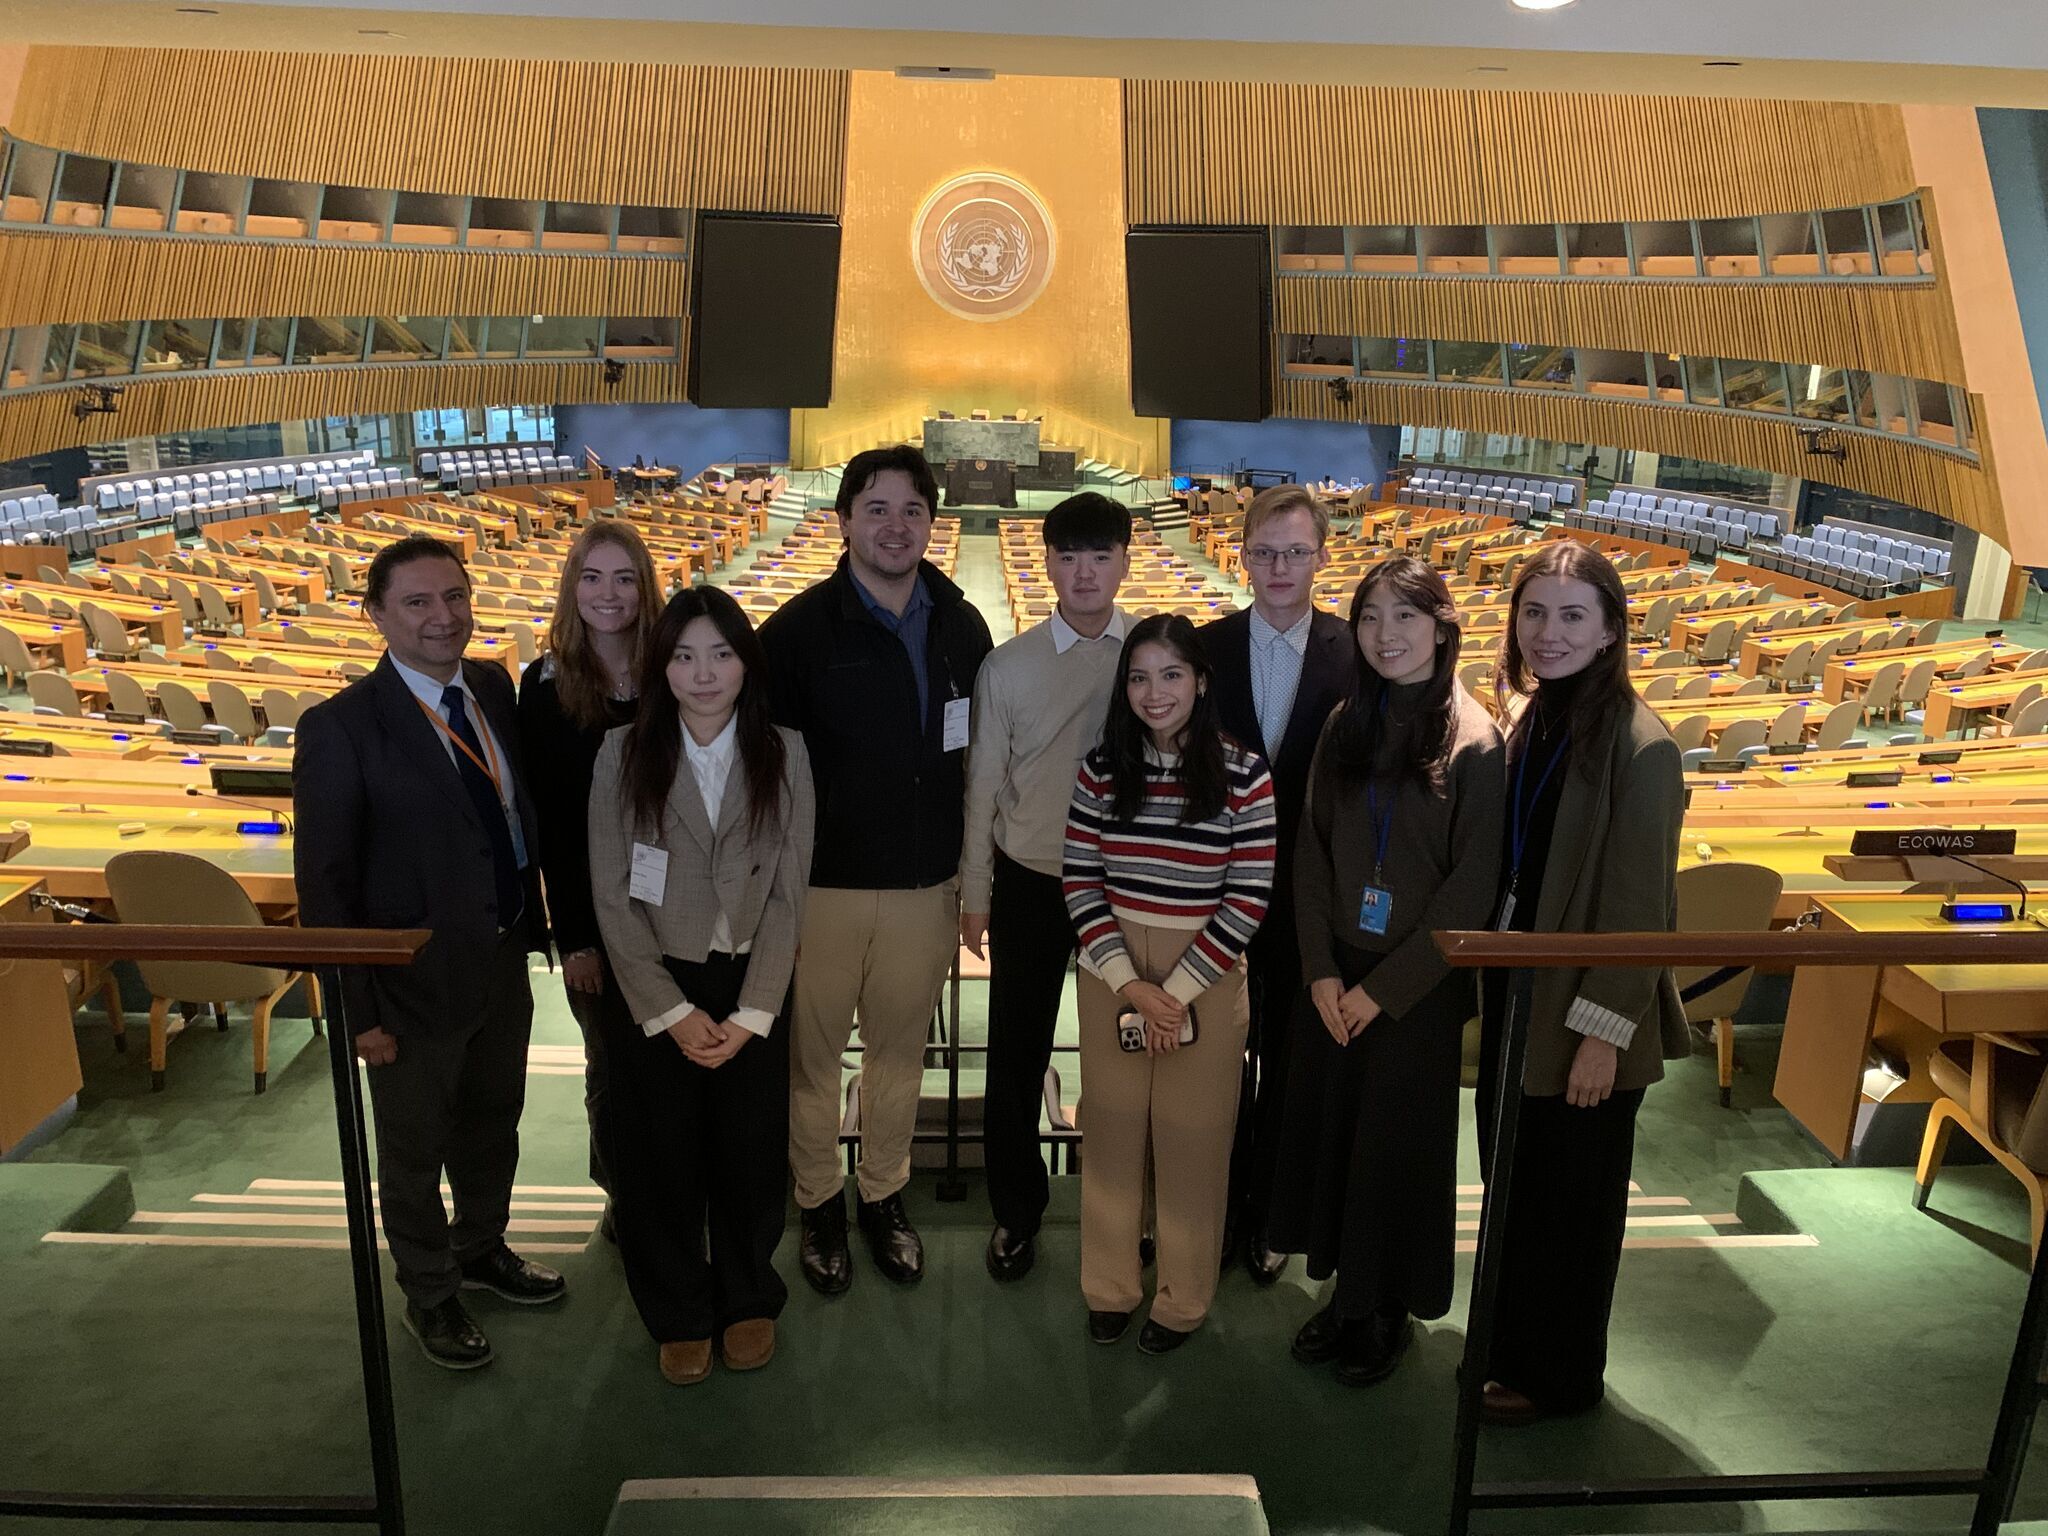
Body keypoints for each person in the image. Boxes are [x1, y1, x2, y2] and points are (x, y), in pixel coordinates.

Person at [294, 534, 563, 1371]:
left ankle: (482, 1247)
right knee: (412, 1154)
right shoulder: (340, 727)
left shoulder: (489, 685)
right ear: (376, 614)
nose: (442, 617)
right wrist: (359, 1013)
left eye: (454, 597)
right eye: (417, 602)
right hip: (408, 985)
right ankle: (431, 1293)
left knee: (493, 1125)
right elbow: (326, 887)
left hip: (501, 956)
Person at [758, 444, 994, 1294]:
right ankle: (818, 1204)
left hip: (925, 888)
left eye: (913, 511)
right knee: (812, 1062)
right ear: (844, 519)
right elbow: (763, 776)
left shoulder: (963, 625)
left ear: (934, 523)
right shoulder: (792, 635)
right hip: (820, 891)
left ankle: (884, 1196)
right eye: (877, 509)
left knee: (898, 1058)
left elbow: (979, 763)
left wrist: (973, 882)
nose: (896, 527)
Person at [1270, 556, 1505, 1386]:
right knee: (1336, 1140)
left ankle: (1384, 1310)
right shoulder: (1345, 722)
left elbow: (1473, 887)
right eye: (1369, 618)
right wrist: (1322, 970)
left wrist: (1382, 990)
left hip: (1416, 994)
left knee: (1392, 1155)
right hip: (1336, 980)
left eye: (1405, 618)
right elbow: (1310, 852)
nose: (1385, 636)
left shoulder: (1475, 741)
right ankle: (1342, 1294)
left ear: (1442, 628)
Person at [1478, 538, 1688, 1424]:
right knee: (1517, 1187)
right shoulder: (1545, 714)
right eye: (1534, 613)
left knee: (1572, 1209)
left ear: (1611, 631)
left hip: (1586, 1013)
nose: (1548, 633)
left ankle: (1559, 1379)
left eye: (1572, 616)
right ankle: (1512, 1348)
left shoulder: (1642, 748)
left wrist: (1602, 1036)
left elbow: (1641, 913)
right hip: (1524, 988)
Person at [588, 588, 814, 1386]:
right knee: (658, 1159)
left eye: (721, 653)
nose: (703, 672)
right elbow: (612, 897)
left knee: (750, 1155)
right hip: (658, 984)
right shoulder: (624, 753)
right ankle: (679, 1310)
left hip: (751, 979)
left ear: (746, 663)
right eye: (683, 656)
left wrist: (754, 1013)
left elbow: (791, 890)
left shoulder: (783, 751)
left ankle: (748, 1296)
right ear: (662, 669)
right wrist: (672, 1013)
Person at [1063, 615, 1276, 1354]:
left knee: (1194, 1141)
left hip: (1206, 976)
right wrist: (1132, 985)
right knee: (1114, 1133)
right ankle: (1110, 1285)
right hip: (1110, 970)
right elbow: (1081, 880)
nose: (1155, 693)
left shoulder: (1244, 773)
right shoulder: (1100, 768)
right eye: (1140, 677)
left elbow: (1248, 895)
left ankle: (1182, 1298)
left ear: (1201, 681)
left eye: (1172, 675)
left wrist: (1175, 992)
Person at [961, 492, 1132, 1282]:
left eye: (1100, 556)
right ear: (1049, 563)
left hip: (1128, 884)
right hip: (1031, 882)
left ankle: (1121, 1208)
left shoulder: (1153, 654)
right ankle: (1016, 1212)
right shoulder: (1009, 665)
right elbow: (983, 787)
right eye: (1069, 556)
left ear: (1125, 561)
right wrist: (974, 890)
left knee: (1125, 1057)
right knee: (1016, 1052)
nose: (1084, 572)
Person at [1199, 484, 1357, 1284]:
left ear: (1323, 556)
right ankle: (1214, 1211)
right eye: (1265, 552)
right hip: (1217, 896)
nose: (1280, 567)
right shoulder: (1205, 647)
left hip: (1310, 899)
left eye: (1297, 551)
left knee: (1291, 1069)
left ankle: (1271, 1215)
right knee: (1216, 1066)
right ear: (1243, 554)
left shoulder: (1359, 653)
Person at [517, 521, 660, 1226]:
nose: (609, 594)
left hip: (677, 910)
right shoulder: (544, 687)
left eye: (625, 577)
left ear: (646, 587)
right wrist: (574, 938)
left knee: (676, 1056)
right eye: (593, 578)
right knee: (612, 1068)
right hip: (596, 920)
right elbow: (550, 824)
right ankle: (624, 1195)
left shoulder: (674, 669)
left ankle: (677, 1184)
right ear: (572, 588)